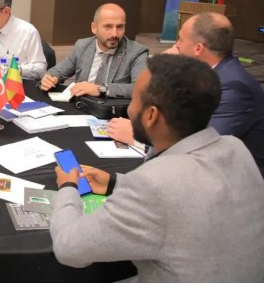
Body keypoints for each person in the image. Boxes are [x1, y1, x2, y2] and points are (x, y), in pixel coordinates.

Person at [50, 54, 264, 282]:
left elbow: (69, 248)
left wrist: (68, 187)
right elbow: (188, 194)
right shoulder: (235, 147)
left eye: (134, 100)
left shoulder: (152, 182)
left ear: (151, 115)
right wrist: (115, 183)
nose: (129, 109)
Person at [108, 12, 264, 176]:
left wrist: (142, 136)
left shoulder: (234, 87)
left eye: (181, 40)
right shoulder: (205, 75)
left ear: (198, 48)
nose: (177, 46)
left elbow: (202, 148)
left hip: (232, 181)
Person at [40, 3, 148, 98]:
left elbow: (141, 89)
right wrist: (50, 78)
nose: (114, 34)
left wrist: (100, 89)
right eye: (108, 26)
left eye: (120, 27)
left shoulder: (137, 52)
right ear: (94, 28)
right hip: (81, 106)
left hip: (112, 111)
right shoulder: (83, 46)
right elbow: (58, 72)